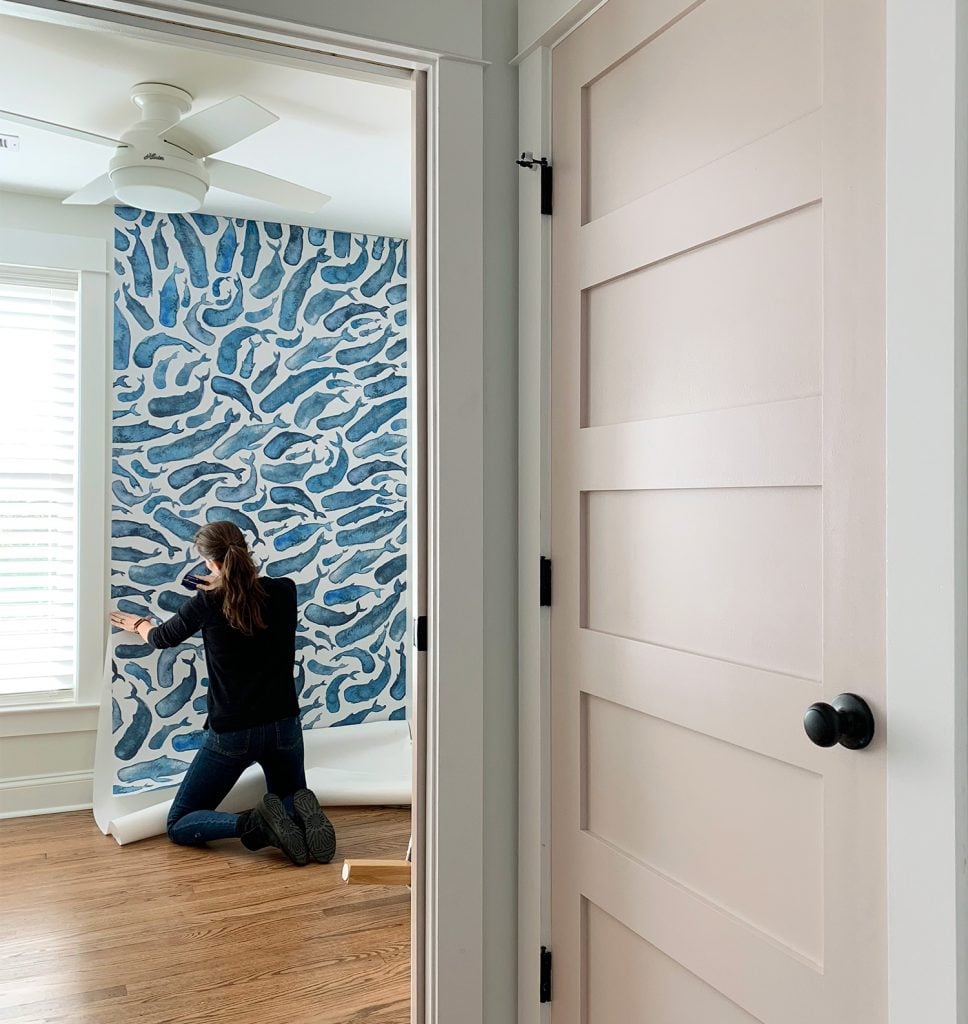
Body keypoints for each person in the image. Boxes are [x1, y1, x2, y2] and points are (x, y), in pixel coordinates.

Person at [108, 520, 335, 867]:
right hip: (284, 726)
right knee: (289, 794)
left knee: (180, 822)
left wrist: (139, 624)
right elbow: (251, 593)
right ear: (244, 550)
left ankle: (254, 822)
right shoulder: (285, 590)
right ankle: (297, 817)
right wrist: (224, 583)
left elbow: (161, 638)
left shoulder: (207, 602)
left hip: (233, 734)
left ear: (210, 562)